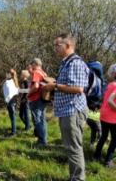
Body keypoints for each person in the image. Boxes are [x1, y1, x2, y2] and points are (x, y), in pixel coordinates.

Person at [44, 33, 89, 181]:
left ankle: (77, 179)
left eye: (57, 45)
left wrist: (55, 85)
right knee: (71, 147)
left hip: (73, 110)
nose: (55, 48)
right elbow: (69, 83)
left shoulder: (75, 63)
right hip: (66, 110)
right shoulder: (66, 63)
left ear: (68, 45)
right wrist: (54, 81)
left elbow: (78, 88)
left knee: (74, 148)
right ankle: (74, 177)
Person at [94, 64, 116, 168]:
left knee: (103, 136)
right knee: (114, 140)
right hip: (113, 118)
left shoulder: (109, 85)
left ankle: (96, 156)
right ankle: (108, 161)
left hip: (103, 115)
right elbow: (111, 101)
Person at [28, 58, 48, 145]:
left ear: (35, 64)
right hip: (43, 99)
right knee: (42, 120)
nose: (31, 66)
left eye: (32, 64)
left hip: (36, 99)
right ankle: (44, 138)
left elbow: (36, 86)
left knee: (37, 120)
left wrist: (28, 92)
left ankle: (42, 141)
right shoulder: (43, 73)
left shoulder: (36, 72)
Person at [3, 69, 19, 137]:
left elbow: (8, 92)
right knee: (13, 117)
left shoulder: (8, 82)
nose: (6, 75)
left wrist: (7, 100)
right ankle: (14, 130)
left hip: (10, 101)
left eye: (7, 73)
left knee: (12, 117)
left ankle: (14, 132)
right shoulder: (14, 81)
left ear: (9, 74)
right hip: (14, 100)